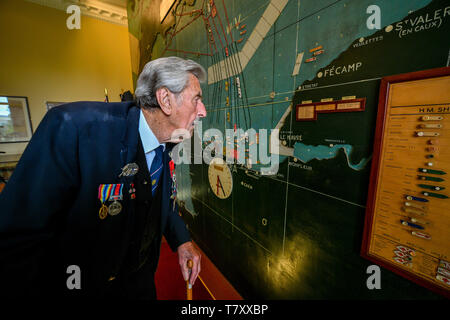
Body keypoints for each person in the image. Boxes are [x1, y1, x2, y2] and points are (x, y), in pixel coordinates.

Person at [0, 56, 205, 299]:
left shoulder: (166, 143)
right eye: (197, 99)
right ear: (166, 100)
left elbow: (160, 197)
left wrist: (182, 241)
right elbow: (20, 237)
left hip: (139, 283)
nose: (202, 111)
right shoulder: (73, 129)